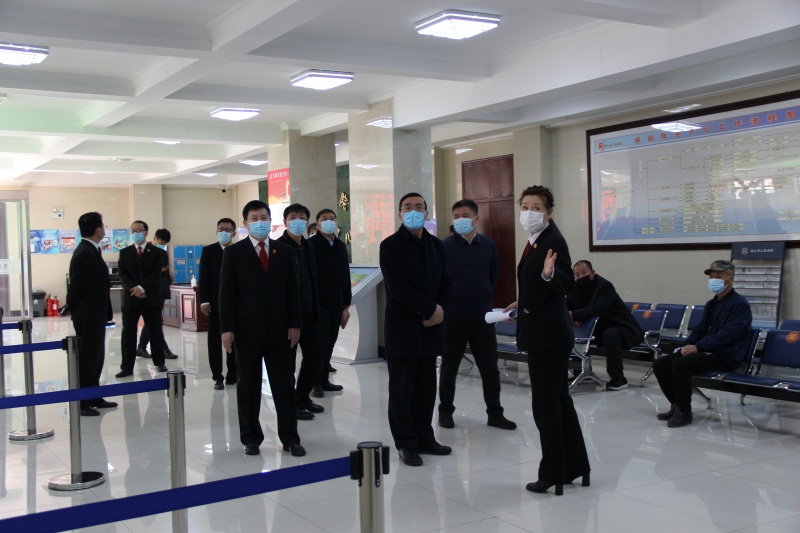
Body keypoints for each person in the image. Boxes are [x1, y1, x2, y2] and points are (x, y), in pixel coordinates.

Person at [504, 185, 590, 496]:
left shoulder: (553, 241)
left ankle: (553, 472)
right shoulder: (536, 240)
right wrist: (523, 301)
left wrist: (551, 275)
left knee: (545, 406)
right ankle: (576, 465)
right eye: (525, 206)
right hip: (543, 330)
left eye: (536, 207)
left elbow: (566, 284)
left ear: (549, 212)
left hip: (549, 336)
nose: (529, 212)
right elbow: (537, 286)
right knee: (559, 403)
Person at [219, 200, 305, 457]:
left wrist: (295, 323)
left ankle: (290, 438)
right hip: (247, 331)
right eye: (254, 219)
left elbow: (293, 291)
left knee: (284, 386)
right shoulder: (234, 253)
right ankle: (251, 437)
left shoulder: (283, 251)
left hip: (280, 331)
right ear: (245, 224)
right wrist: (227, 329)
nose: (260, 222)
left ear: (271, 220)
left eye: (264, 217)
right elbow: (227, 294)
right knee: (248, 386)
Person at [380, 192, 452, 467]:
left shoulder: (436, 245)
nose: (413, 211)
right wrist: (429, 310)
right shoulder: (390, 246)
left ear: (426, 213)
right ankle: (406, 443)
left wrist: (439, 310)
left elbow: (446, 282)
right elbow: (398, 288)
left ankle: (425, 437)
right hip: (403, 327)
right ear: (400, 214)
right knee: (402, 389)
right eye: (408, 207)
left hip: (431, 327)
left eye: (418, 207)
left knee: (426, 387)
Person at [438, 199, 516, 430]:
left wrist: (484, 295)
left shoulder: (488, 245)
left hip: (482, 317)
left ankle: (495, 413)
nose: (460, 220)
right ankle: (445, 411)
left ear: (476, 219)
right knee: (450, 367)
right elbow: (439, 279)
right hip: (454, 317)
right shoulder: (444, 246)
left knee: (489, 368)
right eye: (456, 216)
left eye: (465, 215)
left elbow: (494, 274)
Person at [653, 260, 752, 428]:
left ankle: (684, 412)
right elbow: (700, 329)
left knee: (681, 364)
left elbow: (727, 335)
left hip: (725, 355)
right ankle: (676, 404)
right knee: (661, 364)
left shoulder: (739, 305)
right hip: (707, 351)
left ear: (730, 279)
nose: (713, 280)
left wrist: (698, 347)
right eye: (711, 277)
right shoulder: (711, 304)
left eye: (718, 276)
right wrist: (687, 345)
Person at [277, 203, 325, 420]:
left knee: (314, 356)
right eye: (293, 217)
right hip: (288, 316)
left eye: (302, 217)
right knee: (287, 363)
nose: (298, 221)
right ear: (285, 222)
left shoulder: (309, 246)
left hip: (310, 312)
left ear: (307, 222)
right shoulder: (278, 248)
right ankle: (290, 406)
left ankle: (302, 397)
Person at [67, 212, 117, 416]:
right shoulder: (85, 252)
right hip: (88, 314)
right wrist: (71, 306)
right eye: (103, 226)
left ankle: (94, 395)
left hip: (95, 314)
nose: (104, 229)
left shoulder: (91, 250)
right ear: (98, 230)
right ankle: (83, 401)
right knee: (88, 358)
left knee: (96, 357)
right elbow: (77, 284)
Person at [567, 260, 644, 390]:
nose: (581, 277)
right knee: (574, 332)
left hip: (623, 328)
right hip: (599, 329)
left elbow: (599, 309)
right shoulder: (575, 288)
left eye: (584, 273)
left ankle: (618, 378)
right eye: (577, 275)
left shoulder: (604, 286)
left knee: (610, 334)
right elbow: (566, 305)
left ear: (593, 272)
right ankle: (582, 374)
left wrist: (573, 314)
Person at [117, 220, 169, 377]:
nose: (136, 233)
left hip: (151, 298)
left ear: (146, 233)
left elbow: (156, 273)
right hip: (131, 298)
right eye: (133, 231)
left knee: (155, 331)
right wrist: (134, 289)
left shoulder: (157, 252)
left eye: (139, 230)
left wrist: (142, 288)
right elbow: (123, 274)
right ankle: (127, 367)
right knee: (128, 333)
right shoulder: (125, 252)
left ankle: (159, 362)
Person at [308, 208, 349, 398]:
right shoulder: (311, 245)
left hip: (336, 303)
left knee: (331, 342)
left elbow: (345, 274)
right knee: (321, 343)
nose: (329, 221)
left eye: (332, 218)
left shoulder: (340, 245)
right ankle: (316, 382)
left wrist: (346, 303)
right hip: (319, 303)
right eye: (325, 219)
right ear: (317, 224)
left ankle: (324, 379)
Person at [199, 218, 237, 390]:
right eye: (221, 229)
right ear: (216, 231)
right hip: (215, 304)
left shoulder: (238, 250)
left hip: (234, 304)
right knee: (214, 342)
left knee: (234, 340)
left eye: (228, 230)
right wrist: (204, 300)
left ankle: (233, 374)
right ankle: (217, 376)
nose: (224, 232)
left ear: (234, 233)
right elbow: (204, 277)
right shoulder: (208, 251)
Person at [136, 228, 178, 360]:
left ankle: (143, 347)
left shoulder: (162, 253)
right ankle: (162, 349)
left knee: (154, 320)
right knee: (154, 320)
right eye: (160, 242)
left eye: (164, 243)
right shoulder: (143, 251)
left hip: (160, 289)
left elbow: (164, 269)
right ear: (154, 238)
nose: (162, 245)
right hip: (147, 290)